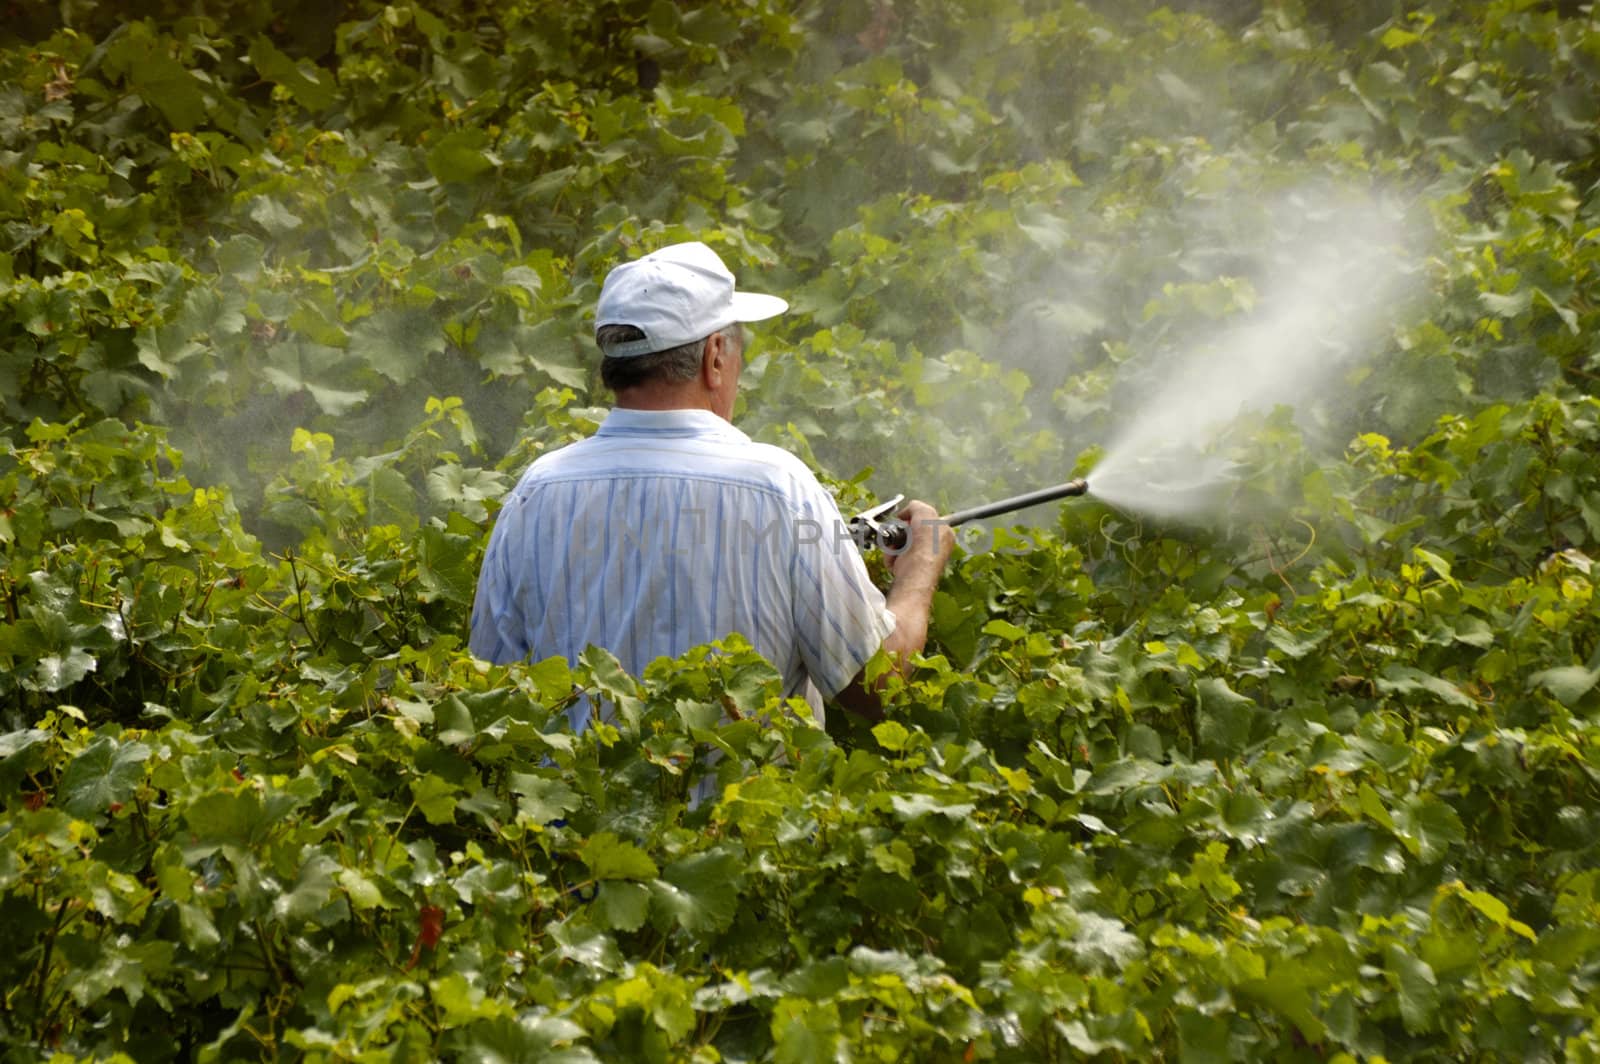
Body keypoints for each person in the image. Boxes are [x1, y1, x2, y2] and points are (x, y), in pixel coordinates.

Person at [468, 241, 954, 728]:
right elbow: (876, 689)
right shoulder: (779, 489)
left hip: (573, 804)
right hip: (745, 806)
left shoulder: (535, 493)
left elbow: (488, 695)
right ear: (715, 356)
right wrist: (919, 568)